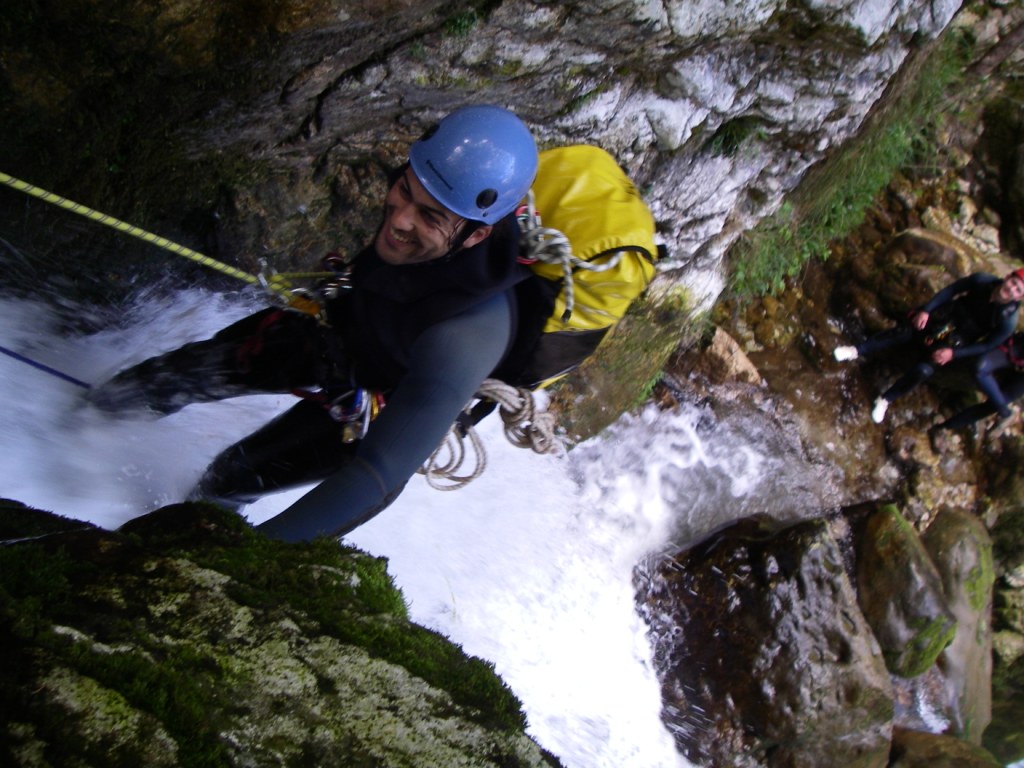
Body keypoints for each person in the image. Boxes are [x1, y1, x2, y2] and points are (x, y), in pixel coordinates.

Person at [87, 105, 539, 541]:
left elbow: (377, 477)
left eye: (429, 216)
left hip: (371, 405)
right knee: (168, 378)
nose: (399, 218)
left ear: (477, 234)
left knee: (230, 477)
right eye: (405, 190)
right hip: (336, 326)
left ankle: (184, 535)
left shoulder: (465, 336)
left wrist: (242, 564)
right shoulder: (439, 213)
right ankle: (81, 423)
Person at [833, 269, 1024, 423]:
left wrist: (953, 354)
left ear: (1018, 298)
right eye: (1013, 283)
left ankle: (885, 399)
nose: (1012, 289)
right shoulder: (983, 280)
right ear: (1007, 277)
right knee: (903, 333)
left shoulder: (1007, 321)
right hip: (944, 316)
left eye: (1018, 291)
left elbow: (987, 346)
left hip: (958, 339)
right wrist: (926, 310)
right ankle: (856, 350)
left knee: (924, 370)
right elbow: (951, 291)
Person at [931, 330, 1024, 437]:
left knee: (993, 405)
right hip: (1014, 350)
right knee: (980, 369)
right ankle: (1003, 409)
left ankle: (944, 427)